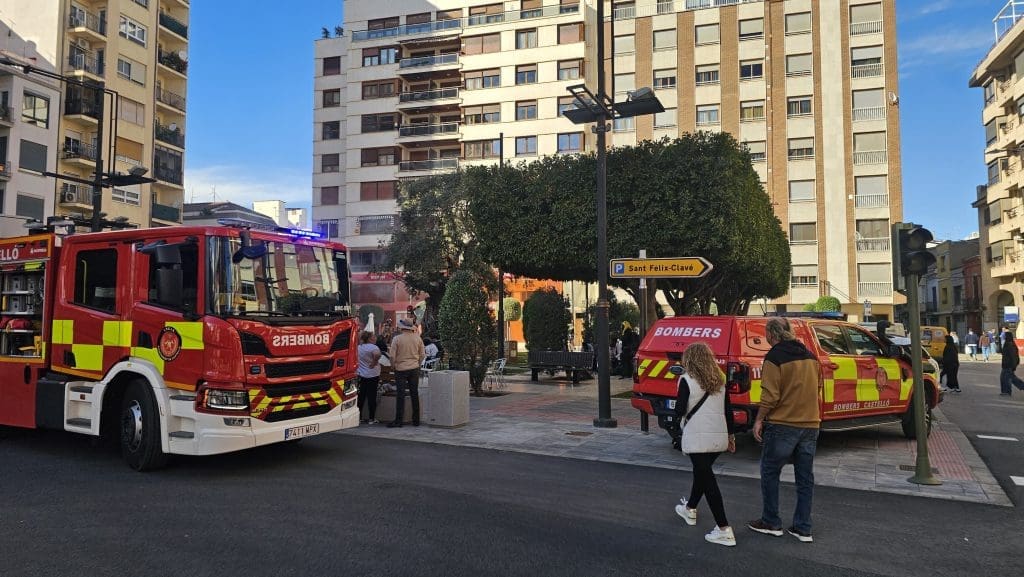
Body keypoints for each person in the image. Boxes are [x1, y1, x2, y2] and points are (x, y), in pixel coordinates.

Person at [748, 317, 821, 544]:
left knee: (770, 471)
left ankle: (771, 521)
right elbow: (817, 388)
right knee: (804, 478)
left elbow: (770, 395)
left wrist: (759, 420)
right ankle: (803, 527)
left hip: (783, 424)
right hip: (810, 424)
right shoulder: (810, 356)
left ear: (771, 335)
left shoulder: (774, 357)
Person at [673, 342, 737, 547]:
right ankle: (690, 509)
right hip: (718, 437)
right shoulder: (719, 381)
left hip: (697, 437)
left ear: (689, 360)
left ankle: (724, 528)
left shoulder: (686, 380)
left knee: (708, 481)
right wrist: (731, 436)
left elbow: (680, 410)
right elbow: (728, 410)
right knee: (702, 473)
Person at [388, 317, 425, 427]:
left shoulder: (397, 339)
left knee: (401, 395)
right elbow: (422, 355)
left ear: (402, 327)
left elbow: (392, 356)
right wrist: (417, 363)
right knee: (414, 393)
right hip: (414, 368)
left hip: (400, 369)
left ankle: (399, 421)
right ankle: (416, 420)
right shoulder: (418, 338)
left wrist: (393, 366)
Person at [357, 331, 382, 424]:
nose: (375, 338)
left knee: (361, 396)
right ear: (370, 339)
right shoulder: (373, 347)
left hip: (361, 374)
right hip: (372, 375)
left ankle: (359, 417)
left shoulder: (359, 347)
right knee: (372, 396)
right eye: (374, 337)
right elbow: (377, 354)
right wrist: (374, 363)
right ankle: (372, 418)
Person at [999, 331, 1024, 396]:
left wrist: (1013, 366)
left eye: (1004, 335)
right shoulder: (1007, 343)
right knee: (1005, 378)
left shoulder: (1010, 345)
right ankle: (1005, 391)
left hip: (1008, 365)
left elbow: (1013, 357)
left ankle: (1007, 392)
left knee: (1009, 378)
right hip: (1005, 365)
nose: (1003, 336)